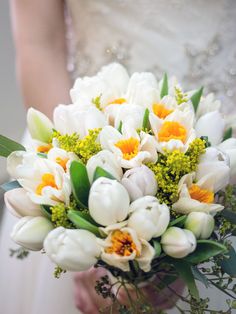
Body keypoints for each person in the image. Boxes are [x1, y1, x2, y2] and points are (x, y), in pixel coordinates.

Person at [0, 0, 236, 313]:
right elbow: (40, 45)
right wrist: (84, 234)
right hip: (80, 144)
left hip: (220, 157)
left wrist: (214, 188)